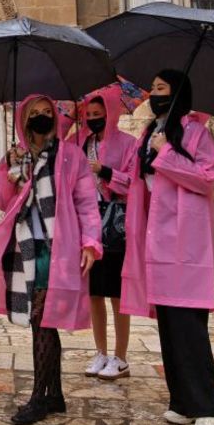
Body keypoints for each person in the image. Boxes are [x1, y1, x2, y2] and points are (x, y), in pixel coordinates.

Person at [0, 94, 100, 425]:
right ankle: (55, 394)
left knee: (41, 319)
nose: (43, 117)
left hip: (57, 248)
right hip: (24, 248)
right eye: (35, 113)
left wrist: (91, 242)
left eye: (48, 112)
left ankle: (38, 399)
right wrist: (11, 173)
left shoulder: (70, 155)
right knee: (42, 321)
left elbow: (87, 201)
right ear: (24, 119)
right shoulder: (15, 157)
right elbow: (1, 200)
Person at [115, 69, 214, 425]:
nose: (154, 94)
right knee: (168, 323)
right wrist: (103, 175)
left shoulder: (193, 133)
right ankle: (183, 399)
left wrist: (165, 151)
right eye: (153, 89)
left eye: (162, 89)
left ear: (178, 92)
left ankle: (211, 408)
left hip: (185, 243)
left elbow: (207, 175)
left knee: (187, 325)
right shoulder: (150, 133)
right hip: (156, 241)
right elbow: (134, 180)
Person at [81, 92, 137, 381]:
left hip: (116, 226)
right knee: (94, 293)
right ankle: (100, 351)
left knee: (117, 294)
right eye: (88, 115)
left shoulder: (129, 144)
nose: (93, 119)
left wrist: (105, 171)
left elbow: (134, 182)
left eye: (97, 114)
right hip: (90, 226)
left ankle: (121, 356)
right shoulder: (83, 144)